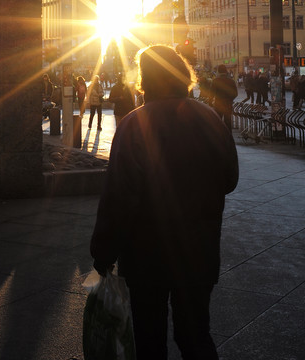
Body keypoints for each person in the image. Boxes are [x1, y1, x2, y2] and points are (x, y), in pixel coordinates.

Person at [90, 44, 239, 360]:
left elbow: (118, 196)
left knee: (149, 339)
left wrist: (103, 251)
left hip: (148, 256)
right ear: (183, 77)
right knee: (197, 336)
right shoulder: (211, 119)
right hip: (199, 251)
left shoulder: (134, 125)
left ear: (145, 79)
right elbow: (230, 180)